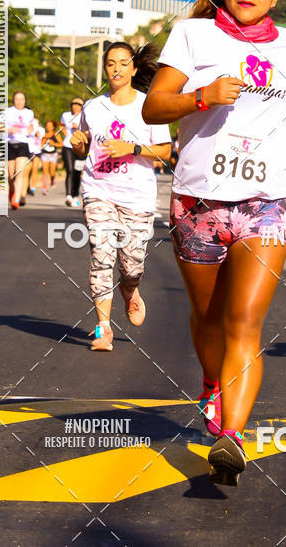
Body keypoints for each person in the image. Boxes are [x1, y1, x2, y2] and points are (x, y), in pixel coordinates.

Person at [142, 0, 286, 485]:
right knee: (209, 317)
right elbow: (153, 106)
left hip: (268, 199)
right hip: (199, 200)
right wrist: (201, 97)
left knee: (245, 322)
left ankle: (232, 437)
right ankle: (211, 380)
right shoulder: (194, 36)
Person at [71, 42, 171, 352]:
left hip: (137, 195)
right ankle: (103, 328)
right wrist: (78, 145)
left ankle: (130, 290)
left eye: (124, 63)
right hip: (98, 189)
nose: (117, 68)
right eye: (111, 63)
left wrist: (133, 148)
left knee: (131, 265)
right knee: (100, 255)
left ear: (134, 68)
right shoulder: (92, 107)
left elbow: (167, 153)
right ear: (105, 68)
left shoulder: (149, 107)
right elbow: (84, 143)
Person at [4, 91, 35, 209]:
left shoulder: (29, 113)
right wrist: (9, 130)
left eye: (22, 99)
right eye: (17, 99)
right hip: (10, 144)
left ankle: (16, 199)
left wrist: (30, 130)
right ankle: (12, 192)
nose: (19, 101)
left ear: (25, 101)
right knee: (11, 176)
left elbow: (31, 126)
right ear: (14, 100)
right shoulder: (7, 111)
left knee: (19, 173)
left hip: (23, 144)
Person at [61, 98, 84, 208]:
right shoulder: (65, 115)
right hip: (67, 146)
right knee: (69, 170)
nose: (75, 106)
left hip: (80, 148)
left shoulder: (84, 117)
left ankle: (75, 195)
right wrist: (64, 132)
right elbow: (61, 125)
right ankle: (68, 195)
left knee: (77, 172)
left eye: (78, 104)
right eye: (74, 104)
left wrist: (78, 128)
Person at [40, 120, 62, 195]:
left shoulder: (56, 134)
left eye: (50, 125)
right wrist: (43, 142)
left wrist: (54, 144)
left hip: (53, 155)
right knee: (45, 171)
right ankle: (44, 188)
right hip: (45, 155)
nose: (49, 127)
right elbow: (41, 145)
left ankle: (52, 179)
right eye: (48, 125)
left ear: (53, 127)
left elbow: (61, 144)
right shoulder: (44, 135)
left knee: (52, 172)